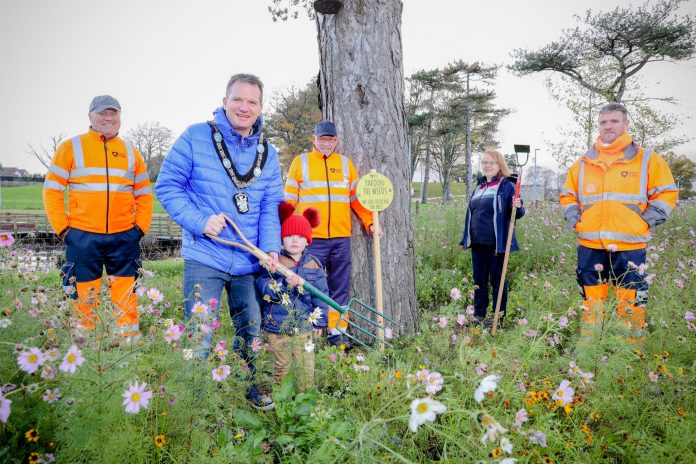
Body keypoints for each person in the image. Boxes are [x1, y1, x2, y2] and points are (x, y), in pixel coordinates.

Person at [155, 73, 284, 409]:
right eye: (238, 100)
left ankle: (250, 387)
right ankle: (195, 405)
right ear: (224, 101)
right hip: (205, 257)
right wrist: (200, 222)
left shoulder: (268, 154)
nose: (244, 107)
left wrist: (271, 248)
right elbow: (167, 186)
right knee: (199, 333)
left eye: (252, 102)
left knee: (251, 331)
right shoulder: (196, 137)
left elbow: (271, 206)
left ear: (260, 107)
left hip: (248, 260)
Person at [560, 102, 678, 343]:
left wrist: (645, 221)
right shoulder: (583, 163)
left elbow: (666, 193)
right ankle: (589, 347)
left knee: (632, 300)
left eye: (614, 121)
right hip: (590, 245)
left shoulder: (647, 159)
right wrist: (575, 219)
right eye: (603, 122)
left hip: (629, 245)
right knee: (591, 301)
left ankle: (630, 349)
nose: (608, 126)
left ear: (626, 123)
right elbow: (568, 195)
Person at [43, 95, 153, 343]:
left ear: (120, 117)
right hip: (83, 236)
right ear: (90, 116)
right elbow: (51, 191)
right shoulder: (70, 148)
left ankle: (128, 343)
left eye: (113, 113)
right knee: (84, 295)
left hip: (124, 236)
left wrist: (140, 229)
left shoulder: (131, 152)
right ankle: (85, 346)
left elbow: (145, 195)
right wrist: (64, 230)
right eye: (103, 113)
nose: (108, 118)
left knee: (126, 293)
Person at [284, 120, 376, 349]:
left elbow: (357, 200)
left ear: (336, 141)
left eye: (330, 139)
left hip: (340, 238)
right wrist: (286, 233)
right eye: (322, 139)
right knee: (309, 285)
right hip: (311, 240)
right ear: (314, 139)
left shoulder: (346, 164)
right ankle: (310, 331)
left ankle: (336, 332)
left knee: (339, 286)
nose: (326, 143)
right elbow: (288, 202)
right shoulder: (300, 163)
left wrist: (370, 222)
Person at [256, 201, 329, 391]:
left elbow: (321, 295)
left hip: (304, 326)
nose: (294, 240)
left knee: (306, 365)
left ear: (307, 240)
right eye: (289, 236)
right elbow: (263, 285)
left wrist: (320, 321)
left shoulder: (314, 264)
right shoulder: (274, 261)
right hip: (277, 326)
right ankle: (283, 401)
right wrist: (282, 285)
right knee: (282, 367)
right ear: (281, 238)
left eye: (299, 236)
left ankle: (305, 399)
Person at [460, 148, 524, 329]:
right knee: (478, 280)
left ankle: (498, 317)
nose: (487, 166)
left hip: (497, 243)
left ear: (499, 165)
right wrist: (465, 238)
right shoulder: (479, 187)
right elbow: (472, 214)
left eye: (491, 162)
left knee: (497, 280)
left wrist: (518, 207)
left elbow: (517, 212)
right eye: (484, 162)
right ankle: (479, 314)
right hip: (478, 243)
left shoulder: (506, 185)